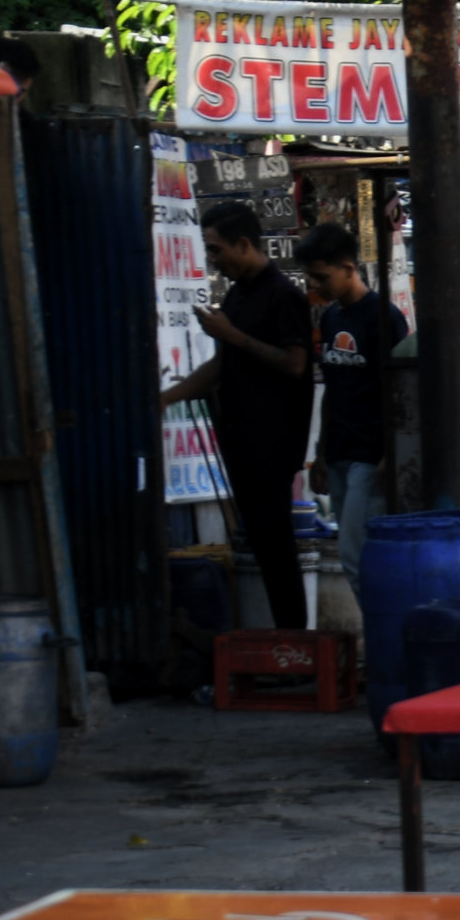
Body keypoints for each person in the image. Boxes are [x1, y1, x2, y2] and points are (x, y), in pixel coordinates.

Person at [159, 202, 313, 631]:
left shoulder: (283, 296)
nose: (213, 259)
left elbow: (295, 364)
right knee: (262, 545)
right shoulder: (238, 295)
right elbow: (222, 365)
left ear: (243, 244)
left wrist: (232, 335)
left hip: (272, 443)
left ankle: (294, 641)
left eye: (216, 249)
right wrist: (167, 397)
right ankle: (285, 638)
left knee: (277, 548)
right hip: (241, 439)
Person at [299, 223, 407, 591]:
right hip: (340, 452)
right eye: (311, 278)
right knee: (354, 557)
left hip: (370, 454)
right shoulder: (332, 317)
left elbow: (399, 391)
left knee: (356, 553)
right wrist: (321, 454)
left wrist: (390, 455)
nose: (316, 286)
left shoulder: (384, 318)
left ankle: (383, 624)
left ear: (348, 268)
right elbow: (333, 389)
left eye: (321, 277)